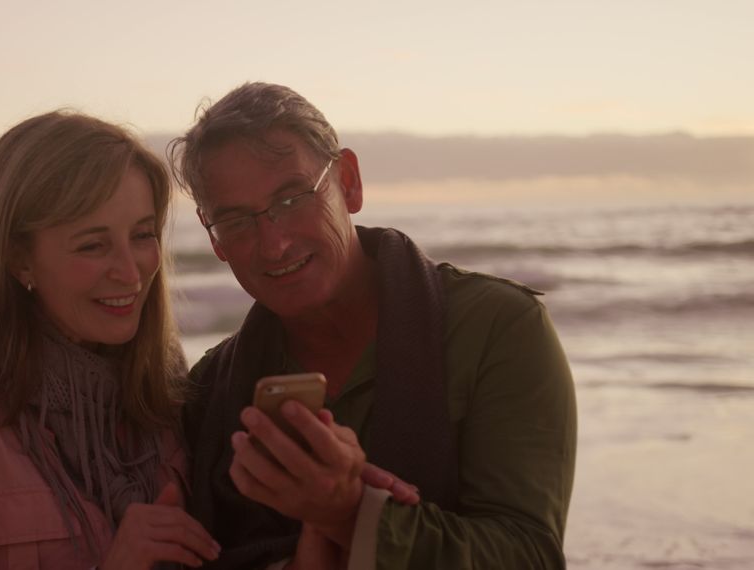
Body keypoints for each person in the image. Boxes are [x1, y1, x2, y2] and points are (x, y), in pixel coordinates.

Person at [169, 82, 577, 569]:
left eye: (293, 198)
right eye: (235, 220)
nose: (273, 243)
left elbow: (529, 556)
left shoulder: (497, 329)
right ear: (213, 238)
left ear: (348, 181)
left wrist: (351, 513)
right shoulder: (211, 389)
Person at [0, 111, 222, 569]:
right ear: (19, 258)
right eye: (92, 245)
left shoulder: (165, 395)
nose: (131, 272)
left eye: (142, 235)